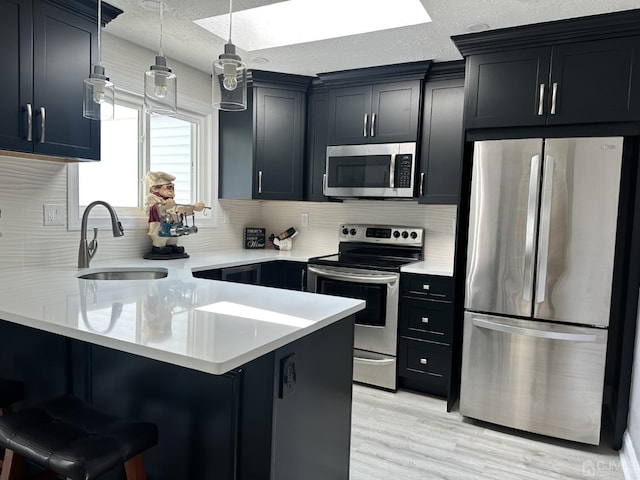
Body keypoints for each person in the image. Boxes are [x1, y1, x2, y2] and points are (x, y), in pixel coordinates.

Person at [144, 171, 205, 256]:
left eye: (172, 187)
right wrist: (165, 207)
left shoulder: (170, 201)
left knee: (173, 238)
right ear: (155, 188)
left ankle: (172, 246)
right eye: (168, 187)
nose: (172, 189)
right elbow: (153, 209)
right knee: (161, 238)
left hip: (172, 226)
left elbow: (179, 209)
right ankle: (159, 248)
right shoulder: (152, 198)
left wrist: (193, 207)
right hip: (160, 227)